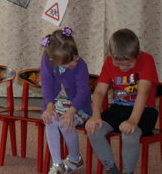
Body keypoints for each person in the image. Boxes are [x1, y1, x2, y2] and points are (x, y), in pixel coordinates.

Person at [86, 29, 159, 174]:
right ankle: (112, 171)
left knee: (129, 134)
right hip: (118, 109)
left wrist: (133, 120)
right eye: (118, 64)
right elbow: (99, 91)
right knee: (93, 130)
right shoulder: (108, 62)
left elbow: (143, 93)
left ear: (137, 55)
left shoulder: (147, 59)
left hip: (144, 111)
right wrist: (95, 115)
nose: (123, 68)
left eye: (128, 65)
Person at [40, 27, 92, 174]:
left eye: (76, 57)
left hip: (78, 106)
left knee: (64, 123)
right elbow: (46, 82)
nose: (74, 62)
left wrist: (71, 111)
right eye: (68, 63)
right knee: (50, 119)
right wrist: (49, 106)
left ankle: (75, 159)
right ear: (54, 61)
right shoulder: (47, 59)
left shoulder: (80, 65)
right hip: (57, 103)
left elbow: (83, 91)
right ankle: (57, 164)